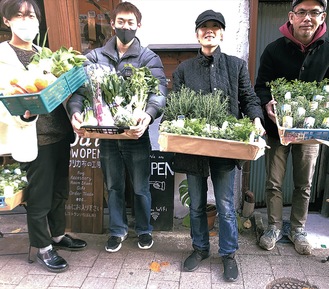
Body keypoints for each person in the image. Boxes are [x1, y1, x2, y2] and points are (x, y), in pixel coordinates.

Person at [172, 10, 265, 282]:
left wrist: (256, 119)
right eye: (204, 27)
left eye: (215, 27)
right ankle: (200, 249)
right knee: (198, 204)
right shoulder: (183, 70)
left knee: (225, 205)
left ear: (222, 33)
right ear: (197, 33)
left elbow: (248, 98)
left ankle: (228, 255)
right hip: (194, 148)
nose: (209, 31)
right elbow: (175, 106)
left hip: (226, 149)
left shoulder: (236, 66)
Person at [67, 2, 167, 253]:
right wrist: (75, 112)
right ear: (112, 24)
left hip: (135, 136)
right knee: (113, 186)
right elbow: (78, 91)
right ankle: (117, 230)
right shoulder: (95, 57)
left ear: (138, 25)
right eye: (120, 22)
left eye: (130, 23)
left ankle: (144, 230)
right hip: (107, 136)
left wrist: (148, 115)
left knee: (142, 187)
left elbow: (159, 93)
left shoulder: (148, 57)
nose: (125, 27)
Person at [0, 0, 87, 273]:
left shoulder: (45, 53)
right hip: (33, 138)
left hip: (60, 134)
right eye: (20, 15)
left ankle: (58, 235)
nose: (27, 21)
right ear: (7, 20)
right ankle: (43, 247)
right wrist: (22, 115)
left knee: (60, 191)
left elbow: (57, 90)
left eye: (31, 16)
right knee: (39, 197)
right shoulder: (3, 57)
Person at [254, 0, 328, 255]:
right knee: (274, 181)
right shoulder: (274, 50)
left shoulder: (328, 50)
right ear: (291, 16)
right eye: (302, 12)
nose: (308, 17)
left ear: (323, 17)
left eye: (314, 12)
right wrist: (267, 105)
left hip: (311, 133)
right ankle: (274, 226)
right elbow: (261, 86)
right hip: (278, 131)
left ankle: (298, 228)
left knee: (304, 183)